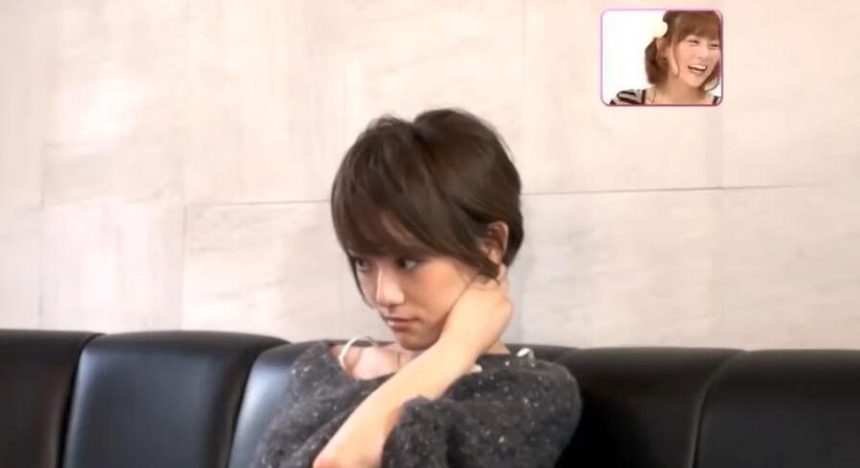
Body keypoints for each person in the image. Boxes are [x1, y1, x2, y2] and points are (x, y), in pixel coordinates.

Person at [253, 109, 581, 468]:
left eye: (407, 262)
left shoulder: (529, 394)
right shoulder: (322, 369)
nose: (383, 295)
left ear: (491, 245)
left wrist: (454, 350)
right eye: (363, 262)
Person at [610, 10, 722, 105]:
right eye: (693, 42)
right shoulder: (625, 103)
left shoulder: (725, 110)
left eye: (714, 45)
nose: (704, 55)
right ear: (663, 47)